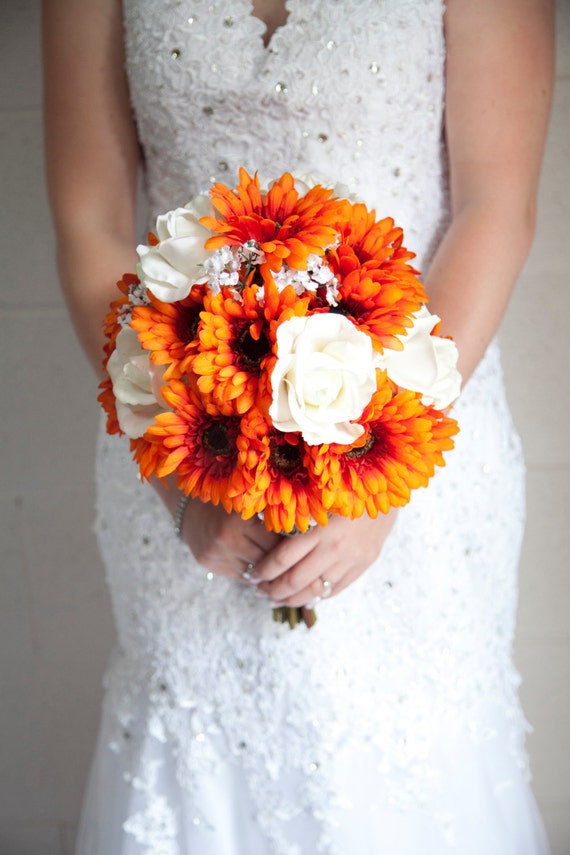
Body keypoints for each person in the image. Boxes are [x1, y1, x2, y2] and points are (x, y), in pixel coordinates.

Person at [43, 0, 554, 852]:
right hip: (180, 429)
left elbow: (496, 206)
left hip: (419, 431)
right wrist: (181, 480)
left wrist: (385, 468)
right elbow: (88, 223)